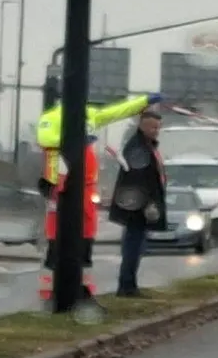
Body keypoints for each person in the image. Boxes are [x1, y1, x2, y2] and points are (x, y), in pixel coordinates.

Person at [36, 92, 157, 302]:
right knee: (57, 236)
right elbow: (45, 139)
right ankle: (51, 289)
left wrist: (144, 101)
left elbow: (116, 112)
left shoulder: (89, 115)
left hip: (86, 185)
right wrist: (75, 140)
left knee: (86, 236)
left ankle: (83, 288)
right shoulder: (52, 117)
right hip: (60, 183)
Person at [109, 110, 166, 297]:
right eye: (152, 127)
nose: (156, 131)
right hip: (136, 207)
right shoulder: (138, 148)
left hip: (138, 205)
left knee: (137, 246)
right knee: (133, 246)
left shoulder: (147, 146)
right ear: (142, 126)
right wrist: (148, 203)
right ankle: (127, 287)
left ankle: (129, 285)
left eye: (158, 127)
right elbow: (137, 178)